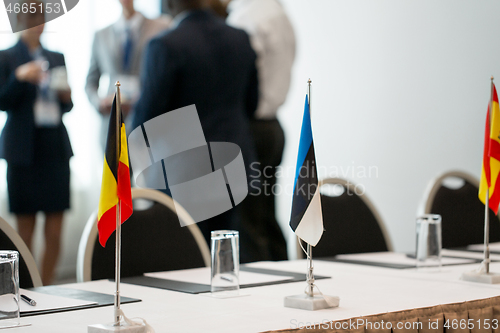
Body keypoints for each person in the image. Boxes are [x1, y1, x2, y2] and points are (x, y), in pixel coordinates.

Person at [132, 0, 259, 245]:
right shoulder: (240, 37)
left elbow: (147, 115)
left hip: (185, 171)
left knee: (185, 257)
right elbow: (251, 103)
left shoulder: (164, 45)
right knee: (229, 253)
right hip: (235, 162)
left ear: (169, 4)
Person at [0, 1, 73, 285]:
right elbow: (3, 101)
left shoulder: (56, 56)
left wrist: (67, 96)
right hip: (23, 151)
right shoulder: (6, 57)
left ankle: (47, 285)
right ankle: (26, 287)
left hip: (54, 146)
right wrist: (20, 78)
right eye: (32, 17)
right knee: (25, 229)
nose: (38, 22)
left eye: (41, 17)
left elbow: (67, 105)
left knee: (55, 229)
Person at [226, 0, 296, 261]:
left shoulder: (248, 16)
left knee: (248, 224)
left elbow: (238, 71)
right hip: (272, 128)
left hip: (250, 130)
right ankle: (283, 279)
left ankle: (259, 291)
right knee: (265, 216)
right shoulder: (279, 14)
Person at [86, 0, 170, 149]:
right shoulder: (101, 35)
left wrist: (146, 97)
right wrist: (100, 102)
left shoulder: (161, 28)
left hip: (148, 125)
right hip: (112, 126)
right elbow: (90, 82)